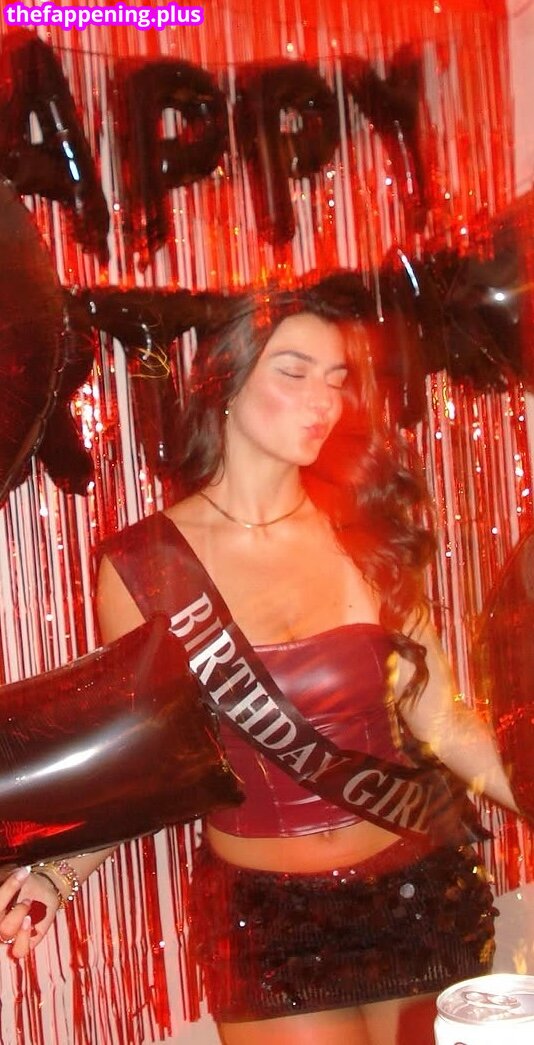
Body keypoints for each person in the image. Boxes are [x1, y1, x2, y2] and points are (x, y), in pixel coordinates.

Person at [95, 283, 518, 1045]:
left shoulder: (365, 530)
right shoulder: (144, 567)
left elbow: (444, 718)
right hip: (269, 920)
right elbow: (137, 761)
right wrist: (54, 871)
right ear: (226, 381)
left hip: (420, 886)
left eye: (336, 377)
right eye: (294, 371)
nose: (323, 399)